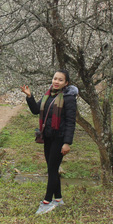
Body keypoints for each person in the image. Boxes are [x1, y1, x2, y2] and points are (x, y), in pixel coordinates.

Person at [20, 69, 78, 215]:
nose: (56, 82)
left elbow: (71, 122)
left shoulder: (69, 98)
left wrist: (67, 143)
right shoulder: (48, 95)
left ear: (66, 83)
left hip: (59, 139)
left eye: (60, 80)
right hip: (48, 137)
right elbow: (35, 110)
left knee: (52, 169)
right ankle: (58, 199)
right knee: (53, 168)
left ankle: (47, 202)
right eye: (55, 78)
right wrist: (29, 96)